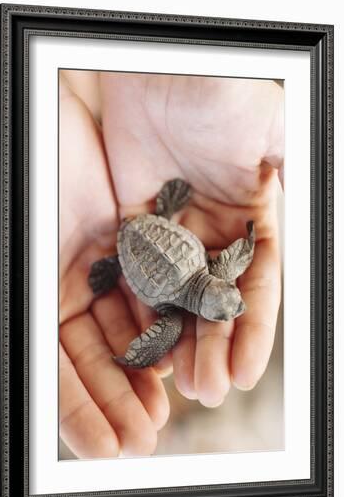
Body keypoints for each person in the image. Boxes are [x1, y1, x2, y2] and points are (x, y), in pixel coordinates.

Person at [59, 71, 284, 459]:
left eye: (228, 300)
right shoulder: (178, 312)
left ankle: (156, 220)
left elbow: (233, 260)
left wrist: (248, 241)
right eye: (234, 295)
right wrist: (247, 239)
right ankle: (117, 264)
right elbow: (236, 258)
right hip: (137, 242)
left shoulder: (193, 287)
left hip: (156, 228)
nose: (238, 300)